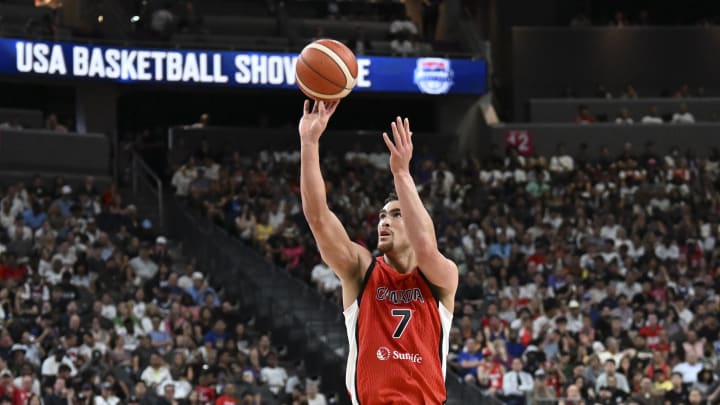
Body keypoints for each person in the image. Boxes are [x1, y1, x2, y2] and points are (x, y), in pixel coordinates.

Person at [299, 100, 458, 405]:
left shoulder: (442, 276)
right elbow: (318, 219)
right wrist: (309, 142)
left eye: (396, 214)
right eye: (382, 216)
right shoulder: (361, 269)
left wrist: (402, 174)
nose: (384, 221)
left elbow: (425, 245)